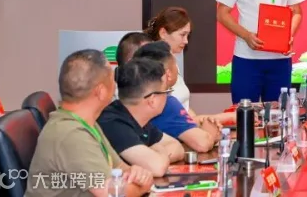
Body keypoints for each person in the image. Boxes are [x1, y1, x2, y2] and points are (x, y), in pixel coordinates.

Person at [25, 49, 153, 197]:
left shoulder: (85, 123)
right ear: (101, 91)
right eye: (112, 79)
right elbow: (112, 193)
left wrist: (136, 173)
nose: (115, 85)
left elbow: (120, 168)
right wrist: (143, 186)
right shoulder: (72, 134)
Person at [143, 7, 233, 124]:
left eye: (187, 35)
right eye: (182, 35)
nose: (186, 41)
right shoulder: (153, 67)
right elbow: (177, 121)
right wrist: (228, 117)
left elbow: (185, 111)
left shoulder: (172, 62)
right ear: (163, 33)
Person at [97, 58, 185, 177]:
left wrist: (155, 154)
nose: (168, 96)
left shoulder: (139, 119)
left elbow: (177, 148)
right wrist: (158, 150)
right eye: (166, 91)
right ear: (152, 100)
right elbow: (158, 168)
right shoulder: (112, 123)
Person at [132, 41, 221, 153]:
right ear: (168, 74)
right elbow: (202, 144)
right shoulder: (166, 102)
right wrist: (210, 134)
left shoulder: (133, 98)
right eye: (175, 64)